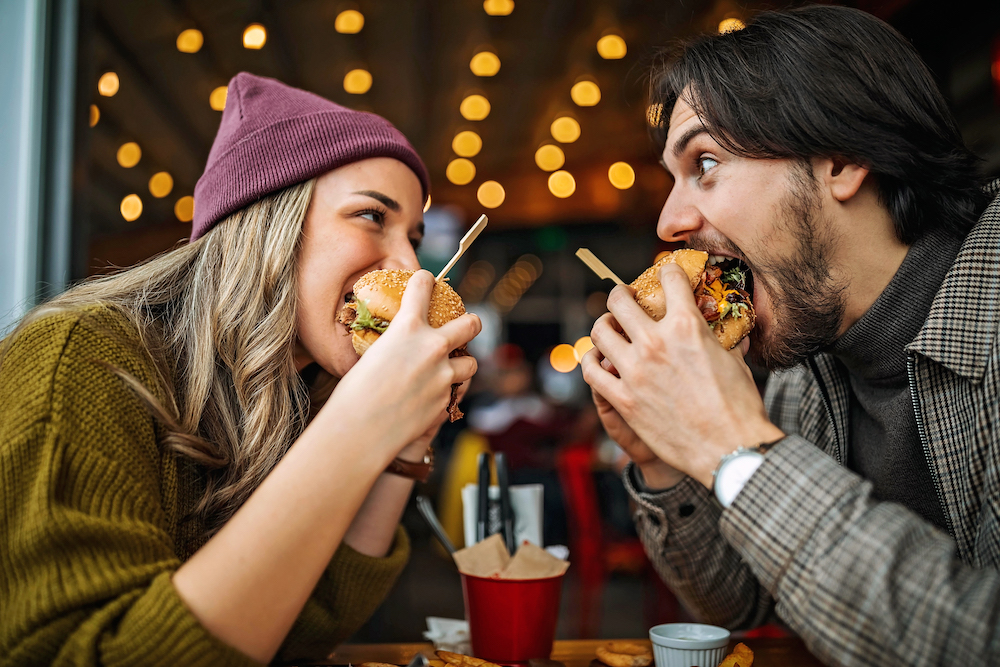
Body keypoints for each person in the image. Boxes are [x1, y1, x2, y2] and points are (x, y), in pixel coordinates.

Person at [0, 72, 480, 666]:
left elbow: (299, 628)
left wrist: (403, 448)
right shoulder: (78, 357)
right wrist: (357, 428)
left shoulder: (295, 396)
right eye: (371, 217)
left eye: (414, 236)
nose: (413, 268)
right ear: (267, 220)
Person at [581, 6, 1000, 666]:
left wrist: (736, 445)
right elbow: (740, 602)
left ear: (843, 158)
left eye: (707, 162)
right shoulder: (809, 364)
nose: (669, 219)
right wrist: (662, 452)